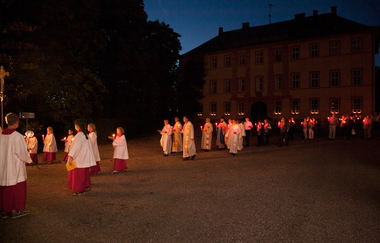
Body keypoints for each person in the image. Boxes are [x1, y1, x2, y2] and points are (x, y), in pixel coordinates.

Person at [0, 113, 32, 218]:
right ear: (17, 122)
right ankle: (17, 209)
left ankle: (6, 210)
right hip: (15, 166)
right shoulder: (17, 136)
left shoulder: (1, 135)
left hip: (3, 167)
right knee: (17, 188)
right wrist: (28, 158)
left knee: (5, 189)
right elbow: (22, 152)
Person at [67, 119, 96, 196]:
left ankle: (79, 190)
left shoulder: (79, 135)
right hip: (85, 158)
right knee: (84, 174)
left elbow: (76, 147)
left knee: (79, 175)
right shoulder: (85, 135)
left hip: (80, 158)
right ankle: (86, 186)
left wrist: (71, 157)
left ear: (77, 126)